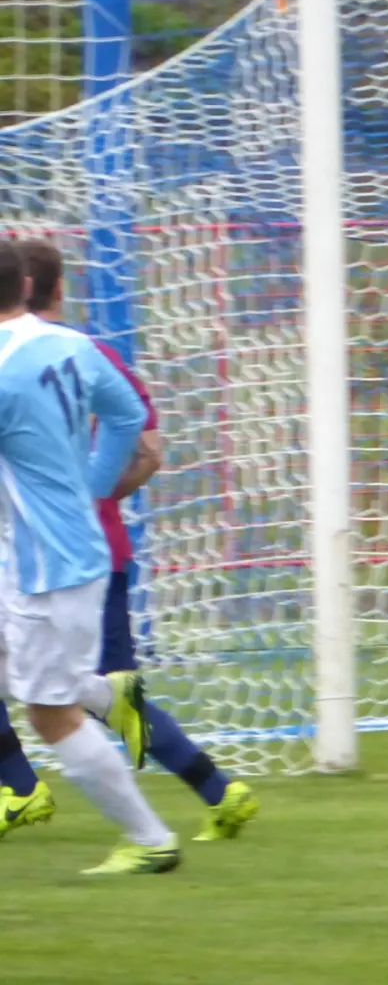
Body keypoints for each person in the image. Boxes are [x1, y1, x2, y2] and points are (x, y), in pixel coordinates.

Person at [0, 241, 258, 843]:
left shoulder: (21, 363)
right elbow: (141, 438)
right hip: (78, 546)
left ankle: (177, 815)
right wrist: (93, 489)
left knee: (72, 698)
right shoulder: (85, 350)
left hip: (54, 557)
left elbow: (141, 445)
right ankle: (21, 786)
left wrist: (85, 492)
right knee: (74, 688)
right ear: (45, 288)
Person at [0, 241, 182, 873]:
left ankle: (150, 839)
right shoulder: (74, 346)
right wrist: (94, 490)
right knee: (38, 680)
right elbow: (128, 416)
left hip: (46, 566)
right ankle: (110, 701)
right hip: (58, 551)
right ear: (27, 288)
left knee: (50, 712)